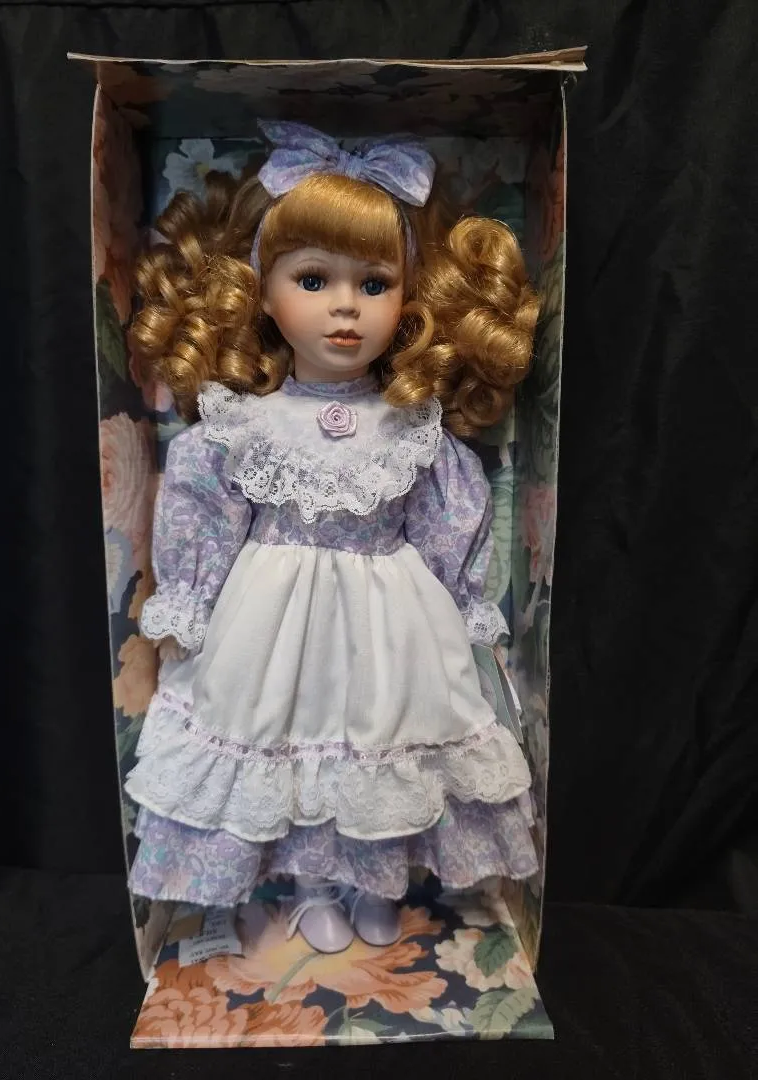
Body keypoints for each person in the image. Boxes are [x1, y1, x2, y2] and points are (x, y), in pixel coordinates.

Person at [124, 121, 540, 953]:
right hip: (270, 620)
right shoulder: (244, 423)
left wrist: (465, 608)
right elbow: (205, 513)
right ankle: (311, 888)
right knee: (279, 739)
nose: (345, 307)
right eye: (313, 279)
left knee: (384, 743)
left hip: (392, 616)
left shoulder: (412, 425)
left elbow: (448, 520)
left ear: (407, 300)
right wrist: (188, 607)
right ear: (261, 292)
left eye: (374, 283)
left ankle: (374, 879)